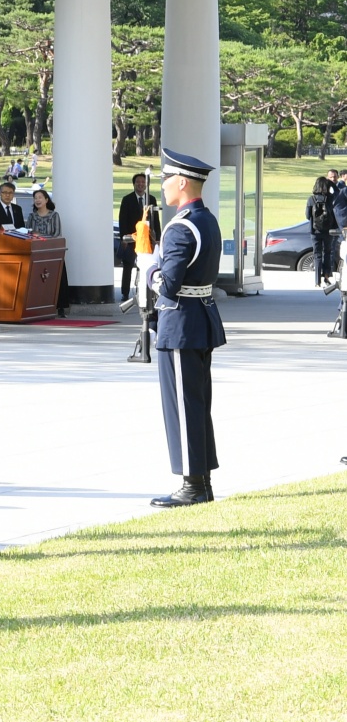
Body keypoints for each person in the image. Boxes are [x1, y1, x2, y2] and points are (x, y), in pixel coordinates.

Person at [148, 149, 227, 508]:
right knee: (196, 402)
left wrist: (148, 268)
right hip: (200, 318)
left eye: (166, 179)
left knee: (182, 405)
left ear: (181, 182)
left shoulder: (180, 227)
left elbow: (168, 283)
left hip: (180, 322)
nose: (163, 186)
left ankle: (192, 484)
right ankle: (202, 481)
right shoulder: (206, 220)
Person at [119, 172, 158, 301]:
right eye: (138, 182)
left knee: (146, 266)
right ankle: (125, 293)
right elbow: (122, 220)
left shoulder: (151, 199)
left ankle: (146, 292)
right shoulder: (127, 199)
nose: (140, 184)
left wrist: (157, 237)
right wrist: (123, 238)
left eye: (143, 182)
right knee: (128, 266)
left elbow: (156, 220)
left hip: (147, 240)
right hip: (131, 239)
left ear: (146, 184)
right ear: (134, 184)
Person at [307, 176, 337, 286]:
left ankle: (317, 281)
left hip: (315, 231)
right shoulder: (330, 198)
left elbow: (307, 215)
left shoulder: (311, 199)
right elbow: (338, 193)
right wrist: (332, 183)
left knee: (317, 255)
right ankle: (326, 277)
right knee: (327, 253)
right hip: (328, 231)